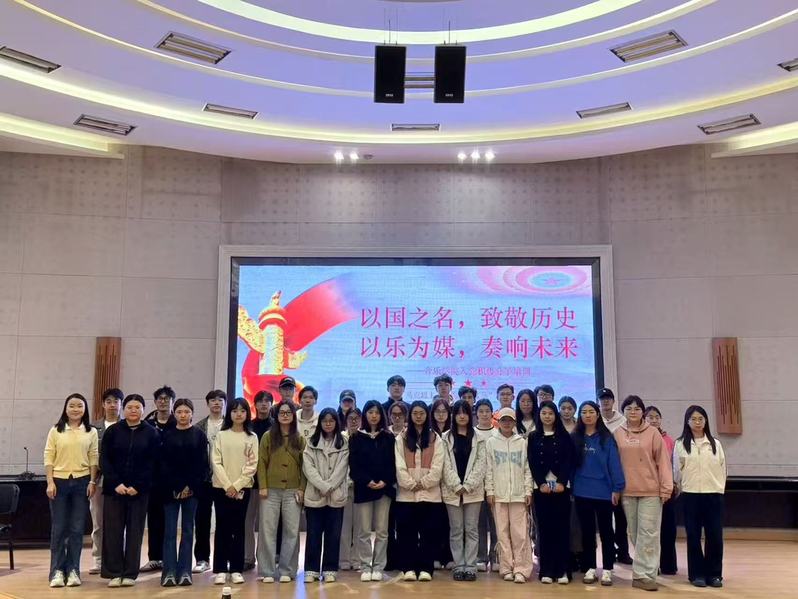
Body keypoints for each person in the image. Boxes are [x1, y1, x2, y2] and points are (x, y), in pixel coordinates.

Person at [614, 395, 673, 592]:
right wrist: (615, 488)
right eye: (629, 408)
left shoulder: (653, 433)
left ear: (642, 412)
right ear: (623, 411)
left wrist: (666, 488)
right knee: (635, 533)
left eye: (637, 408)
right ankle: (644, 570)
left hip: (651, 491)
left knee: (649, 533)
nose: (633, 412)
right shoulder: (617, 433)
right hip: (627, 491)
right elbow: (614, 464)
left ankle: (644, 575)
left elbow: (663, 461)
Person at [100, 394, 160, 587]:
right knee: (113, 531)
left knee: (135, 532)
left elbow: (153, 463)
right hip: (114, 490)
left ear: (143, 410)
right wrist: (116, 483)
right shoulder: (113, 431)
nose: (133, 410)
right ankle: (114, 572)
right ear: (123, 410)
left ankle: (130, 573)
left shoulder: (151, 433)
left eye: (137, 407)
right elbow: (104, 459)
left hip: (139, 492)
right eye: (129, 407)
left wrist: (138, 486)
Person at [44, 393, 99, 588]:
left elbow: (93, 457)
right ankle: (57, 571)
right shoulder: (56, 430)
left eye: (79, 406)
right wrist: (50, 482)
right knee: (59, 528)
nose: (76, 409)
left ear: (85, 409)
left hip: (82, 482)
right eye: (72, 406)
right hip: (59, 482)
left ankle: (73, 570)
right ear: (65, 409)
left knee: (77, 529)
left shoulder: (91, 431)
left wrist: (92, 481)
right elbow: (49, 456)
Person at [571, 400, 625, 586]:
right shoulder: (575, 437)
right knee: (587, 533)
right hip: (581, 491)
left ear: (597, 414)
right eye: (584, 412)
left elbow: (614, 464)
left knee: (606, 532)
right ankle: (590, 568)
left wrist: (617, 488)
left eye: (591, 412)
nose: (588, 415)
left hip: (604, 492)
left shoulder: (606, 438)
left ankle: (608, 569)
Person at [674, 406, 727, 589]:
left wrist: (719, 488)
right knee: (693, 536)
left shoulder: (715, 444)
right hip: (691, 495)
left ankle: (714, 574)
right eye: (693, 419)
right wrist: (681, 488)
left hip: (713, 495)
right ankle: (697, 574)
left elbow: (723, 468)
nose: (697, 422)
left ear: (705, 421)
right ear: (687, 422)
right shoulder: (680, 444)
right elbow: (677, 470)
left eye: (701, 419)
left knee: (715, 536)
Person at [159, 398, 208, 587]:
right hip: (169, 490)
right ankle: (169, 572)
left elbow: (201, 464)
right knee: (170, 531)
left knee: (188, 531)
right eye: (179, 411)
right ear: (174, 413)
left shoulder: (199, 435)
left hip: (192, 491)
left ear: (192, 414)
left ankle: (185, 571)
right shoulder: (167, 435)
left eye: (187, 411)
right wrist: (176, 487)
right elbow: (163, 464)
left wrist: (189, 487)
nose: (183, 415)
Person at [395, 401, 445, 581]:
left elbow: (438, 467)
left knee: (428, 533)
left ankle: (426, 568)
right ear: (410, 415)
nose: (418, 416)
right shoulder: (401, 438)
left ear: (427, 415)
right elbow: (399, 466)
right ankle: (408, 568)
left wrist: (423, 483)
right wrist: (410, 484)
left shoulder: (435, 438)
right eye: (415, 413)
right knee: (406, 533)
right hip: (406, 495)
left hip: (430, 495)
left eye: (421, 413)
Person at [257, 400, 306, 583]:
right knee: (267, 530)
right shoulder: (268, 436)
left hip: (293, 490)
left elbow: (305, 467)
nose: (285, 415)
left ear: (293, 415)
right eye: (281, 412)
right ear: (276, 416)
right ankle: (267, 571)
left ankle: (287, 570)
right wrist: (263, 486)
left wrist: (302, 488)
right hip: (270, 490)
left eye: (288, 412)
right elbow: (261, 462)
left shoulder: (299, 438)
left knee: (292, 531)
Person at [211, 398, 258, 585]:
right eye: (235, 411)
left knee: (239, 528)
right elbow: (216, 461)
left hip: (242, 488)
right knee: (222, 527)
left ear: (247, 414)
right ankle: (221, 568)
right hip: (221, 488)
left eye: (242, 411)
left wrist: (237, 485)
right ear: (229, 413)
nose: (238, 414)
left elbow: (252, 465)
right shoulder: (221, 435)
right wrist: (227, 485)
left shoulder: (252, 437)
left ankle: (236, 568)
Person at [528, 400, 576, 584]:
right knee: (545, 529)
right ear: (539, 415)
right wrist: (541, 483)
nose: (547, 416)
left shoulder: (564, 436)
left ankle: (563, 570)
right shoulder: (533, 436)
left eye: (550, 413)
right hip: (541, 490)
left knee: (562, 529)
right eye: (544, 413)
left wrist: (562, 482)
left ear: (555, 415)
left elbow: (569, 461)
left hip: (561, 489)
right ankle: (546, 570)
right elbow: (532, 462)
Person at [348, 400, 396, 582]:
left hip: (384, 489)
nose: (373, 415)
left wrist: (385, 481)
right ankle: (365, 566)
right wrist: (367, 481)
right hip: (364, 489)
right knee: (364, 531)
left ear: (381, 415)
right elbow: (354, 465)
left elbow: (393, 463)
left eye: (376, 412)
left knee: (382, 531)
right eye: (370, 412)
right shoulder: (356, 437)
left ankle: (378, 567)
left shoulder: (388, 437)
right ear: (365, 415)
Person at [486, 407, 533, 584]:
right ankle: (506, 567)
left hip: (519, 496)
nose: (506, 423)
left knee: (520, 534)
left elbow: (527, 468)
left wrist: (528, 491)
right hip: (498, 496)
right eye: (503, 420)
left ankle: (521, 569)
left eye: (510, 420)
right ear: (498, 422)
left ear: (514, 422)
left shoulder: (522, 442)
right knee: (502, 533)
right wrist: (490, 491)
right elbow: (488, 469)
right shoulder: (491, 442)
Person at [303, 408, 350, 583]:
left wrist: (329, 486)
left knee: (333, 534)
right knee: (313, 534)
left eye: (331, 420)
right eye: (325, 421)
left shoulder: (343, 442)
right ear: (320, 423)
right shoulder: (311, 442)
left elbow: (342, 468)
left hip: (335, 495)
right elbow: (308, 467)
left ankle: (330, 569)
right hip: (315, 494)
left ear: (337, 422)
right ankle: (311, 570)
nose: (328, 424)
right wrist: (322, 486)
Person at [441, 400, 486, 581]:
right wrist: (456, 485)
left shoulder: (479, 438)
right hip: (452, 491)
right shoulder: (445, 437)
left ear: (470, 415)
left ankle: (471, 567)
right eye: (458, 412)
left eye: (465, 412)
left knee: (471, 529)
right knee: (456, 530)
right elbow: (444, 464)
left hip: (472, 491)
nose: (461, 416)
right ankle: (459, 565)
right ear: (453, 416)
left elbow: (481, 465)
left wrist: (467, 486)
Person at [140, 385, 177, 573]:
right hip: (152, 481)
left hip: (172, 481)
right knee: (154, 520)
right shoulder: (147, 424)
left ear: (172, 402)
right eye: (160, 399)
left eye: (167, 399)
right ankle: (154, 558)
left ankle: (169, 559)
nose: (163, 402)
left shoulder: (179, 423)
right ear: (155, 402)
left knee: (170, 521)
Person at [88, 387, 122, 576]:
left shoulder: (127, 425)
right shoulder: (93, 428)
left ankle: (118, 557)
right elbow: (91, 455)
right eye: (108, 401)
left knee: (119, 522)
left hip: (121, 482)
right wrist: (92, 480)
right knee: (98, 521)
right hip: (100, 480)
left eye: (116, 401)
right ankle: (98, 558)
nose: (112, 405)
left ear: (121, 405)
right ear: (103, 404)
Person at [193, 389, 227, 574]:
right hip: (204, 480)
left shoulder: (231, 425)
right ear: (207, 404)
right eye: (213, 400)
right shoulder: (199, 427)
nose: (216, 403)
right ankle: (202, 559)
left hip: (225, 480)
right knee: (202, 521)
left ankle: (224, 559)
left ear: (224, 404)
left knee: (224, 521)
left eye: (220, 400)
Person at [597, 387, 631, 565]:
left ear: (613, 401)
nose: (605, 401)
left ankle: (623, 552)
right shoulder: (595, 420)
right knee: (604, 519)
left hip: (619, 472)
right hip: (601, 476)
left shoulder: (623, 421)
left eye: (608, 398)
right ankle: (609, 553)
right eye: (602, 399)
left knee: (621, 517)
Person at [644, 405, 678, 576]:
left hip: (666, 489)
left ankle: (668, 565)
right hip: (647, 489)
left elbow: (674, 465)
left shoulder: (670, 440)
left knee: (668, 529)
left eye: (657, 417)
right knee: (650, 530)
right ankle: (651, 566)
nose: (654, 420)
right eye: (650, 417)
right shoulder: (641, 439)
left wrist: (672, 484)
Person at [245, 390, 274, 571]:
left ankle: (264, 558)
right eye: (260, 401)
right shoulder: (248, 426)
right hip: (249, 482)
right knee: (247, 521)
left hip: (269, 483)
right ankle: (248, 557)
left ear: (271, 404)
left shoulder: (276, 426)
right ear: (255, 404)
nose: (263, 404)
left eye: (267, 401)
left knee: (266, 524)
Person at [474, 398, 498, 572]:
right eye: (481, 411)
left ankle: (496, 556)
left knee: (496, 523)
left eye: (487, 411)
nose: (484, 414)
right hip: (476, 487)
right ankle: (481, 556)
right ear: (476, 414)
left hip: (496, 485)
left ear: (492, 413)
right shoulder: (472, 433)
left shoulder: (498, 433)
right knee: (479, 523)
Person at [339, 408, 362, 571]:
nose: (353, 421)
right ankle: (344, 559)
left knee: (360, 527)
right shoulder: (340, 438)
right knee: (344, 527)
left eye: (357, 418)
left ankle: (357, 559)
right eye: (350, 418)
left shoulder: (365, 437)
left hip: (362, 488)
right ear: (345, 421)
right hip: (344, 487)